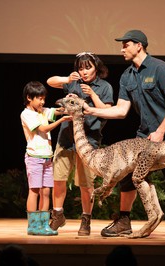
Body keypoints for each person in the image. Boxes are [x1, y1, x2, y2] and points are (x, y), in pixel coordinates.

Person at [83, 30, 165, 239]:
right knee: (125, 170)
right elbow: (121, 110)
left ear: (139, 46)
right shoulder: (127, 76)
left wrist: (161, 131)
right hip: (146, 134)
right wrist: (91, 110)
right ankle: (124, 220)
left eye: (126, 45)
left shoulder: (159, 68)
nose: (122, 49)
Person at [46, 52, 114, 236]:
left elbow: (106, 111)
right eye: (80, 68)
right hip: (66, 137)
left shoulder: (104, 86)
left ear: (96, 67)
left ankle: (86, 219)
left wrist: (92, 94)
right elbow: (50, 81)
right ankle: (58, 214)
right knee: (58, 178)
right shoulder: (73, 82)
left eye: (88, 67)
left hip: (89, 140)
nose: (84, 72)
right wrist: (66, 78)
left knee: (86, 183)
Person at [20, 81, 71, 236]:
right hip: (34, 157)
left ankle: (43, 225)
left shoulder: (42, 111)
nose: (42, 102)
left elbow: (57, 111)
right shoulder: (26, 114)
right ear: (29, 97)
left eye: (43, 99)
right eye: (39, 99)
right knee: (34, 191)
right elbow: (43, 128)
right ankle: (33, 225)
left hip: (47, 158)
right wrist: (61, 121)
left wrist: (67, 105)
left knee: (46, 191)